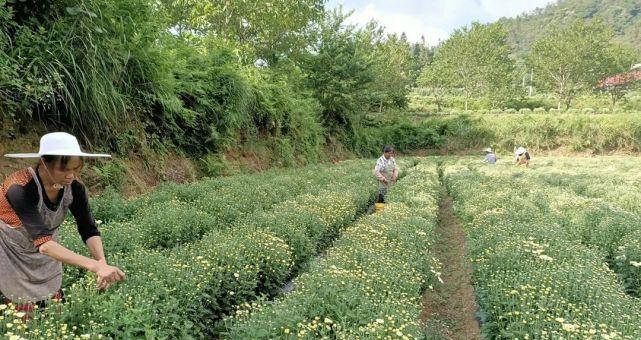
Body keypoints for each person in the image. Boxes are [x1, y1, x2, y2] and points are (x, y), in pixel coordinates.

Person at [1, 132, 125, 310]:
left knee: (53, 307)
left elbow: (88, 229)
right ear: (44, 162)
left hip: (49, 251)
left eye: (75, 169)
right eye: (64, 169)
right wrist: (94, 267)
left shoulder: (75, 188)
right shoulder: (20, 188)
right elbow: (43, 243)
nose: (71, 176)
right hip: (12, 250)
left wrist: (102, 263)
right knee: (21, 309)